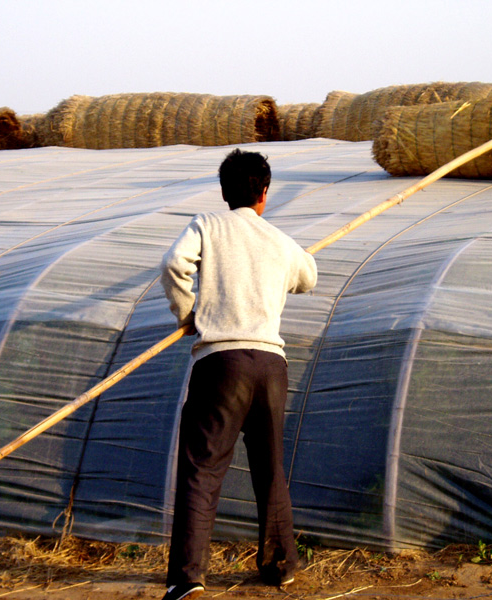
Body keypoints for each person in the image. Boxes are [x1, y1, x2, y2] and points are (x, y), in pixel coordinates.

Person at [159, 148, 318, 600]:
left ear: (225, 191)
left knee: (203, 469)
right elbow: (308, 276)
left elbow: (174, 264)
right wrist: (279, 270)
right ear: (265, 191)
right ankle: (281, 565)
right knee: (269, 467)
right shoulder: (278, 239)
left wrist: (188, 312)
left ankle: (188, 578)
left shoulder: (207, 225)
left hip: (222, 362)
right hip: (271, 364)